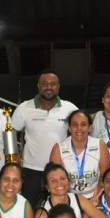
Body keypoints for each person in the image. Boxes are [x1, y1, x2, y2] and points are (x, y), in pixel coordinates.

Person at [12, 71, 78, 207]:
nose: (49, 87)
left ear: (58, 86)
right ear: (38, 86)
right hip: (30, 171)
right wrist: (14, 157)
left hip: (59, 170)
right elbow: (10, 131)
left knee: (58, 211)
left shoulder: (69, 108)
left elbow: (84, 126)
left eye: (53, 84)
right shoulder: (24, 108)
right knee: (30, 210)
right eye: (44, 84)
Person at [50, 109, 110, 199]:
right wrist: (70, 201)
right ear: (69, 128)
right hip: (68, 197)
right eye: (75, 125)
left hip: (95, 196)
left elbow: (104, 176)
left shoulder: (100, 145)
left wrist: (94, 199)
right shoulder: (58, 148)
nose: (79, 128)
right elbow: (55, 181)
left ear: (90, 128)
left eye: (83, 124)